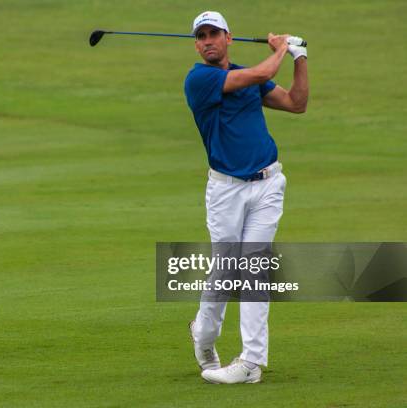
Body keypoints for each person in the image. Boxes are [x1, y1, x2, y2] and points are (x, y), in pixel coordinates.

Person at [184, 11, 308, 384]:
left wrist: (300, 59)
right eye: (201, 36)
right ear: (197, 44)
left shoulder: (248, 76)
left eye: (214, 34)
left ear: (228, 38)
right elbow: (262, 74)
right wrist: (282, 48)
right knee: (224, 269)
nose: (207, 41)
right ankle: (204, 335)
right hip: (226, 189)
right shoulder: (200, 79)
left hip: (268, 183)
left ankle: (251, 362)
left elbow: (296, 103)